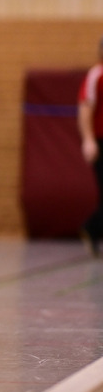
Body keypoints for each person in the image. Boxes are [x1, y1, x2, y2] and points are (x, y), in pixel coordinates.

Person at [77, 35, 103, 258]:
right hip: (100, 142)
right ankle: (91, 228)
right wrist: (88, 140)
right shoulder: (97, 75)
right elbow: (85, 108)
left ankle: (93, 230)